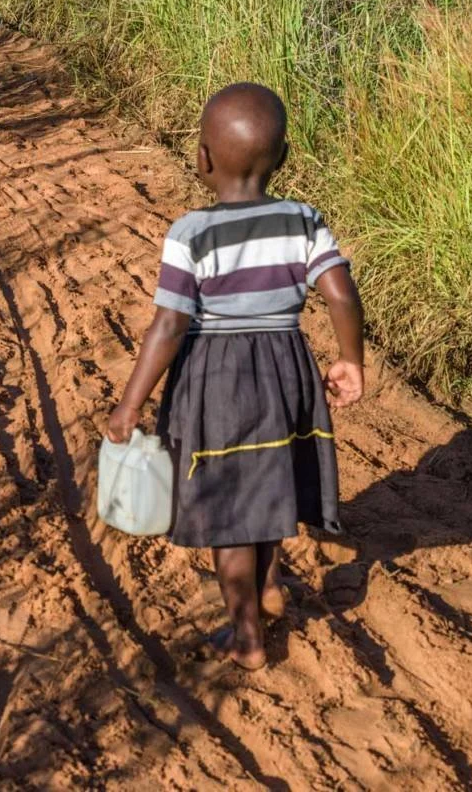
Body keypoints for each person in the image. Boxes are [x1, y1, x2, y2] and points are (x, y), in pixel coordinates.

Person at [105, 82, 365, 671]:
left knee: (227, 511)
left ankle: (246, 635)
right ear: (285, 157)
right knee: (269, 474)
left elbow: (169, 326)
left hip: (217, 382)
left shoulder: (190, 233)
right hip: (284, 369)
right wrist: (351, 359)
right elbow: (341, 294)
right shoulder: (303, 221)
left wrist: (129, 406)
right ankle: (271, 582)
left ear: (202, 158)